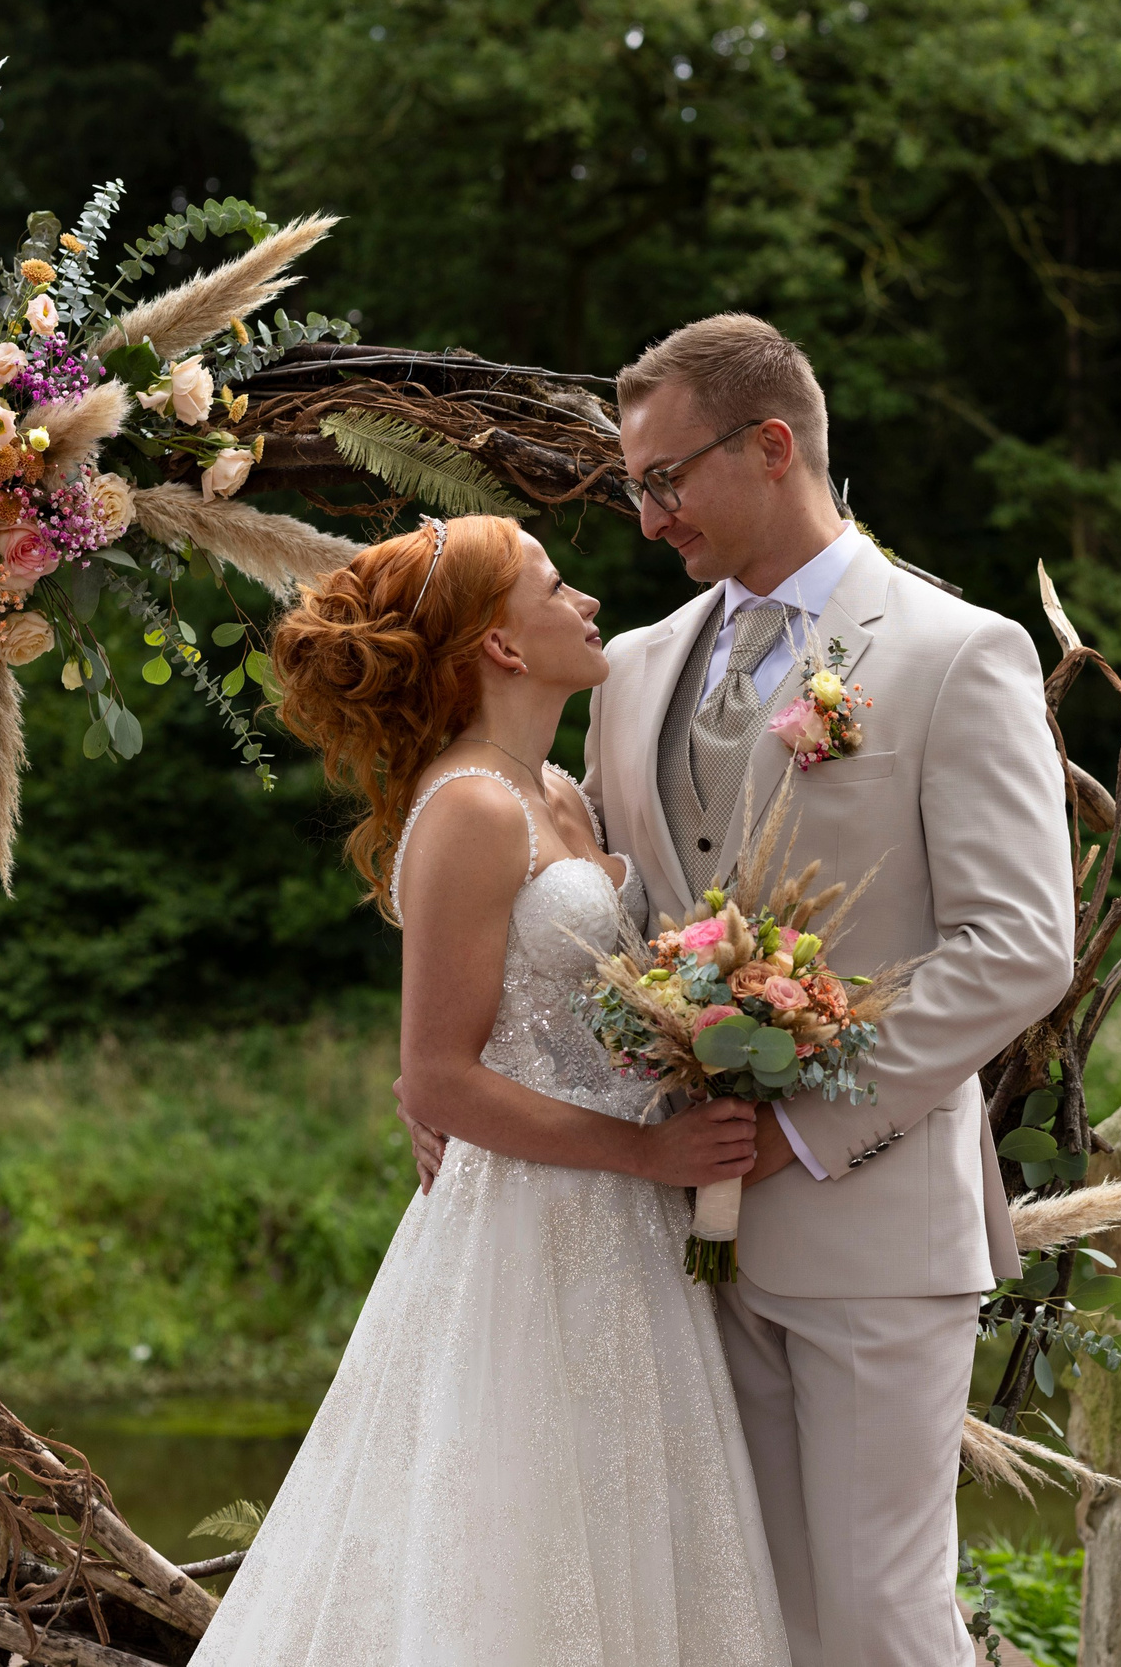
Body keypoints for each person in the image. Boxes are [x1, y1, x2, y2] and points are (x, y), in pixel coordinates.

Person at [415, 314, 1079, 1666]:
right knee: (752, 1619)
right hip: (673, 1252)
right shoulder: (640, 670)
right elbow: (619, 929)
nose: (648, 519)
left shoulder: (959, 655)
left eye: (666, 480)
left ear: (773, 448)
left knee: (886, 1617)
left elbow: (1019, 943)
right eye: (635, 488)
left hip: (878, 1225)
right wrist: (471, 1082)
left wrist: (802, 1125)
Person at [193, 514, 791, 1666]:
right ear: (502, 648)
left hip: (624, 1234)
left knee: (627, 1541)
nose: (588, 603)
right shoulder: (470, 806)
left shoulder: (559, 788)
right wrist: (648, 1155)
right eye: (556, 587)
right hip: (532, 1229)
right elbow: (440, 1074)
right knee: (518, 1543)